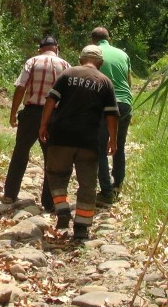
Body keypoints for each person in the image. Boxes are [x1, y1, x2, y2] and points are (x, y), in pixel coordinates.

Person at [39, 45, 118, 241]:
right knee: (88, 184)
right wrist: (113, 140)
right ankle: (82, 228)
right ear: (100, 62)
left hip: (61, 136)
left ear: (81, 58)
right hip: (88, 140)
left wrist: (43, 125)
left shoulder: (68, 74)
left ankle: (63, 210)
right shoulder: (105, 82)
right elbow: (112, 114)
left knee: (56, 174)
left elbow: (51, 100)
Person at [1, 35, 70, 210]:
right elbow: (68, 95)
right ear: (57, 48)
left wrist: (13, 113)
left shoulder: (32, 62)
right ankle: (49, 201)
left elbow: (20, 87)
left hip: (31, 113)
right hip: (54, 115)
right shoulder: (65, 66)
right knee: (51, 159)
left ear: (40, 49)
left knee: (20, 152)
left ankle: (10, 194)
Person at [90, 27, 132, 205]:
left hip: (105, 105)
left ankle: (106, 192)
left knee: (100, 148)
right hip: (125, 104)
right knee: (119, 145)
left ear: (93, 40)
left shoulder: (94, 53)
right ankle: (117, 185)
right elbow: (128, 82)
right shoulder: (122, 54)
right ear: (109, 38)